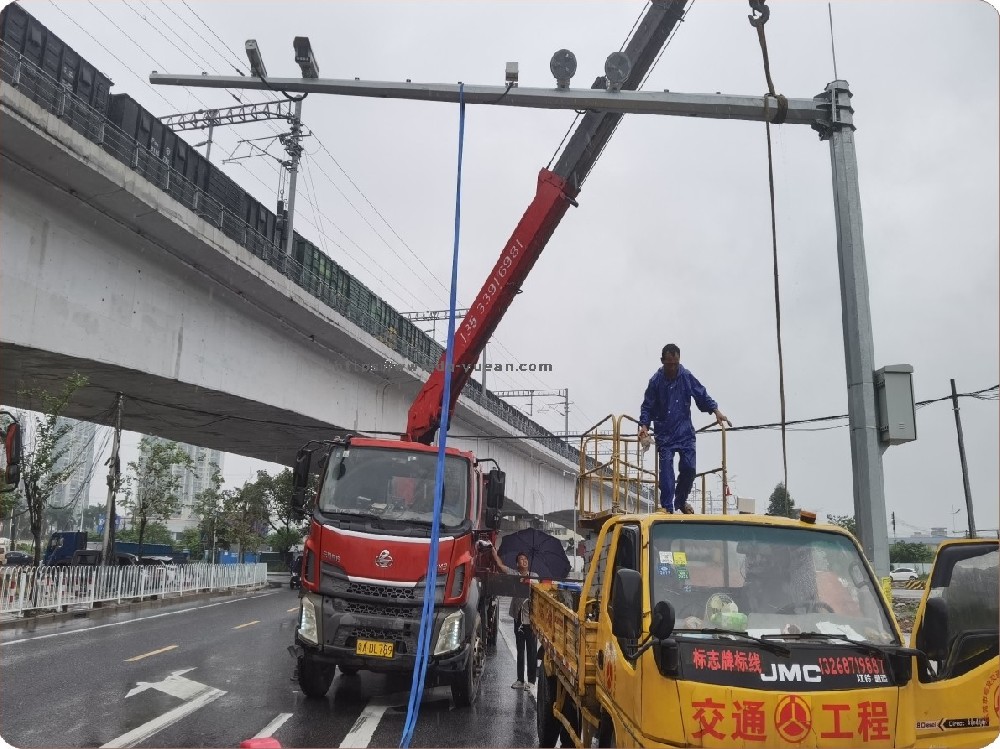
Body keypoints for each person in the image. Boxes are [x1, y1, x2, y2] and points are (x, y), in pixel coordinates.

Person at [639, 344, 731, 514]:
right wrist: (644, 425)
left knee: (689, 469)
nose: (673, 368)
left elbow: (701, 394)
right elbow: (647, 406)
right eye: (669, 364)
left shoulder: (686, 376)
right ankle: (667, 507)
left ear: (679, 361)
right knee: (667, 471)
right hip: (665, 434)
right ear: (662, 361)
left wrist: (715, 411)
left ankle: (680, 501)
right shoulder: (655, 381)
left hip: (685, 433)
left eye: (675, 364)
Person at [490, 546, 539, 691]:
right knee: (520, 650)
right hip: (518, 619)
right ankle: (520, 679)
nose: (524, 561)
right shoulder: (514, 575)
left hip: (531, 620)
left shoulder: (534, 575)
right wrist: (494, 552)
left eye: (525, 559)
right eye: (521, 560)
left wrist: (530, 581)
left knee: (532, 651)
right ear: (517, 564)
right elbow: (501, 567)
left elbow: (540, 589)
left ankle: (531, 681)